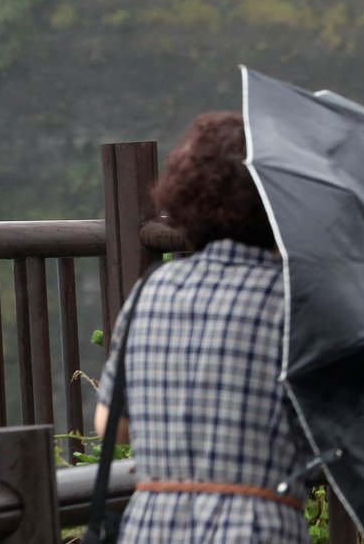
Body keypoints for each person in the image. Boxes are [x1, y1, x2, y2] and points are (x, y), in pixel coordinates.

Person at [95, 111, 315, 543]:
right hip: (258, 525)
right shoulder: (297, 300)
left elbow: (111, 425)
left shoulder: (151, 289)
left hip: (151, 525)